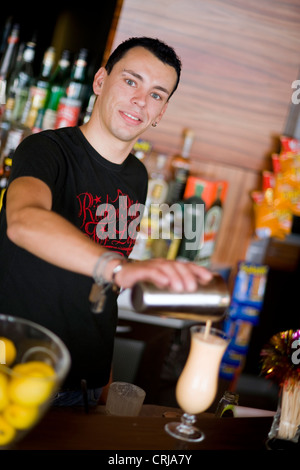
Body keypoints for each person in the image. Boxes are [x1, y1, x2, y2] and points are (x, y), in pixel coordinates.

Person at [0, 37, 212, 406]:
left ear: (161, 113)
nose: (141, 101)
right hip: (20, 372)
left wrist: (105, 376)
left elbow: (104, 292)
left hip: (86, 384)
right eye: (131, 81)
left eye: (157, 94)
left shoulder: (138, 178)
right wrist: (119, 268)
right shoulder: (46, 150)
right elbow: (23, 221)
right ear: (100, 81)